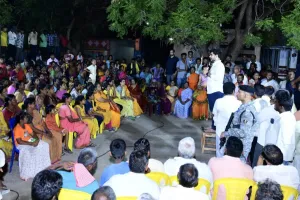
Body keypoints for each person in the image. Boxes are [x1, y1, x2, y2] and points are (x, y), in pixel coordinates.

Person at [221, 85, 258, 162]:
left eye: (239, 92)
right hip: (236, 145)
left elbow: (243, 132)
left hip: (240, 147)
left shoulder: (247, 111)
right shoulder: (243, 107)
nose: (236, 94)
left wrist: (227, 133)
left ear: (246, 95)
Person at [13, 111, 51, 180]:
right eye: (26, 118)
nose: (28, 119)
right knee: (29, 151)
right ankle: (27, 173)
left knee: (44, 145)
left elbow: (33, 134)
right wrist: (31, 144)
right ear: (21, 120)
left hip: (29, 140)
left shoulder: (26, 125)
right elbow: (19, 141)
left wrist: (36, 140)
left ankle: (43, 167)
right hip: (21, 144)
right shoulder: (17, 128)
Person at [213, 82, 241, 157]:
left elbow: (214, 115)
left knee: (219, 151)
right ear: (233, 91)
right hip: (234, 132)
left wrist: (216, 125)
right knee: (232, 153)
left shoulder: (218, 101)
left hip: (220, 130)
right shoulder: (239, 103)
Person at [274, 90, 296, 164]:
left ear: (281, 106)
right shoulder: (288, 116)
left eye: (276, 102)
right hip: (282, 157)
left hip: (281, 158)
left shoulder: (285, 119)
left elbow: (286, 141)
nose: (274, 104)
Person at [206, 49, 225, 132]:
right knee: (213, 110)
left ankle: (215, 128)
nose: (210, 56)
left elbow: (218, 78)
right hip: (211, 90)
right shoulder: (214, 64)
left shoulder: (220, 65)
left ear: (216, 55)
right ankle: (213, 126)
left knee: (216, 110)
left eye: (211, 54)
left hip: (216, 90)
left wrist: (208, 73)